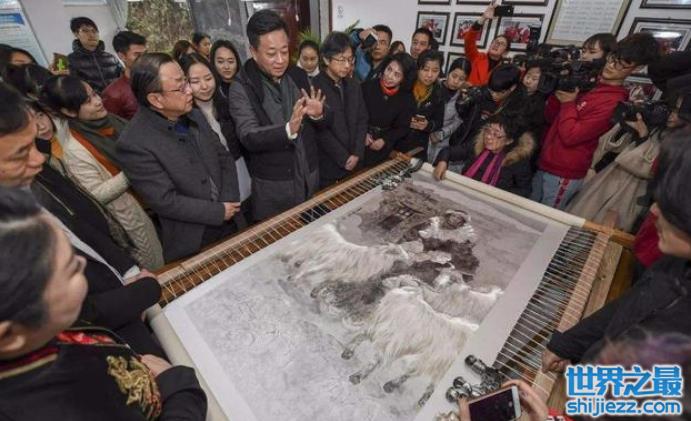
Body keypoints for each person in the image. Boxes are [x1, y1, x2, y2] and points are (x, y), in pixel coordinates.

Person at [0, 187, 208, 421]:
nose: (82, 263)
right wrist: (179, 389)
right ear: (10, 333)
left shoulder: (38, 336)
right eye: (70, 270)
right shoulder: (55, 404)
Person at [1, 82, 164, 356]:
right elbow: (70, 316)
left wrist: (130, 273)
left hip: (125, 304)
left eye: (34, 145)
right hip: (100, 345)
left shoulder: (31, 179)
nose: (38, 159)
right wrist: (141, 292)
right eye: (21, 153)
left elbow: (85, 229)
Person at [542, 130, 691, 370]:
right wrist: (568, 345)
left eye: (667, 206)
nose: (653, 211)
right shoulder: (675, 262)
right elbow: (630, 306)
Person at [116, 53, 246, 262]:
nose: (190, 90)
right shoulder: (133, 143)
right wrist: (217, 211)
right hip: (195, 238)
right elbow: (165, 201)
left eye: (186, 81)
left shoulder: (193, 114)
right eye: (181, 87)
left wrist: (228, 200)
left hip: (232, 218)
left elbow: (224, 157)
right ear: (156, 99)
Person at [41, 75, 164, 270]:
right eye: (87, 101)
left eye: (94, 94)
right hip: (133, 220)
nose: (98, 101)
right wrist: (132, 171)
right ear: (68, 111)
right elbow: (96, 195)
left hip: (157, 202)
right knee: (158, 268)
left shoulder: (110, 120)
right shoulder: (75, 149)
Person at [532, 33, 661, 210]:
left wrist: (568, 103)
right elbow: (550, 117)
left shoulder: (614, 101)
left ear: (637, 68)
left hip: (564, 173)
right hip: (545, 162)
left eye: (622, 64)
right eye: (612, 58)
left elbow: (571, 136)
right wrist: (559, 90)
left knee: (545, 220)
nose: (611, 65)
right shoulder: (588, 83)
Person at [228, 10, 328, 221]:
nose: (281, 60)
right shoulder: (241, 87)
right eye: (272, 54)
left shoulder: (297, 74)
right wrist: (288, 129)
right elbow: (248, 135)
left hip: (309, 174)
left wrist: (319, 113)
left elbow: (326, 119)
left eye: (285, 51)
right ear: (253, 51)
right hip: (275, 187)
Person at [567, 95, 688, 232]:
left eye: (679, 112)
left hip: (633, 194)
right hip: (607, 181)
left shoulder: (682, 145)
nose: (672, 115)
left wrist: (643, 137)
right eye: (673, 109)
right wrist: (627, 125)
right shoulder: (656, 126)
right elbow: (608, 146)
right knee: (575, 225)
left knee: (600, 238)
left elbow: (652, 170)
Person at [180, 53, 252, 220]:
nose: (204, 86)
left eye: (208, 78)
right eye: (195, 81)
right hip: (214, 184)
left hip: (241, 170)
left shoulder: (228, 104)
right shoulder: (185, 118)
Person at [312, 32, 368, 189]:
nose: (347, 65)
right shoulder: (314, 87)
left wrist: (357, 153)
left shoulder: (354, 85)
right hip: (329, 166)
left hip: (356, 161)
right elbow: (320, 131)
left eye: (350, 59)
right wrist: (343, 158)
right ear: (326, 59)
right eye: (342, 60)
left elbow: (362, 119)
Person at [433, 114, 535, 197]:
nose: (489, 137)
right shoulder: (478, 145)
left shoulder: (517, 160)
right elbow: (448, 151)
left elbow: (525, 191)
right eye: (488, 131)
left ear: (509, 141)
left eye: (496, 134)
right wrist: (443, 161)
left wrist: (499, 194)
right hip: (463, 194)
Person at [444, 64, 524, 168]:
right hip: (462, 143)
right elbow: (464, 116)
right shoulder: (483, 92)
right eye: (492, 90)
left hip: (486, 154)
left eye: (500, 92)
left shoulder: (517, 107)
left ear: (512, 88)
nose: (494, 95)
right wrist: (464, 101)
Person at [361, 52, 417, 167]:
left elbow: (403, 127)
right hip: (359, 142)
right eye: (389, 69)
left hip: (385, 148)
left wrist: (385, 140)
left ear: (404, 79)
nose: (389, 76)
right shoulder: (366, 87)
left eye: (397, 74)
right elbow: (355, 115)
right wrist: (362, 133)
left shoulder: (407, 98)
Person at [396, 49, 444, 160]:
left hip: (418, 148)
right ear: (418, 68)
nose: (430, 75)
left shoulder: (439, 93)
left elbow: (439, 122)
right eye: (426, 69)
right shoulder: (405, 85)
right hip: (396, 144)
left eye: (435, 70)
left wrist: (427, 125)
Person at [428, 57, 470, 163]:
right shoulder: (433, 85)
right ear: (448, 72)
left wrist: (442, 133)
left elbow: (458, 121)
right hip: (424, 136)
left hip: (443, 142)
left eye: (461, 79)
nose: (456, 81)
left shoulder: (463, 98)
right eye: (454, 76)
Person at [66, 17, 122, 92]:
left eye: (94, 31)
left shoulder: (110, 57)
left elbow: (123, 80)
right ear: (76, 34)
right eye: (85, 31)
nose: (91, 35)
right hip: (94, 99)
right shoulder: (70, 60)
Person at [463, 2, 511, 86]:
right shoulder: (477, 57)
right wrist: (483, 18)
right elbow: (469, 40)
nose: (496, 44)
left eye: (501, 44)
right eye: (495, 41)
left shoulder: (504, 70)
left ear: (505, 52)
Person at [102, 30, 147, 120]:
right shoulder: (113, 94)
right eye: (137, 55)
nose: (144, 59)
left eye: (145, 54)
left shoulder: (158, 79)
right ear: (122, 56)